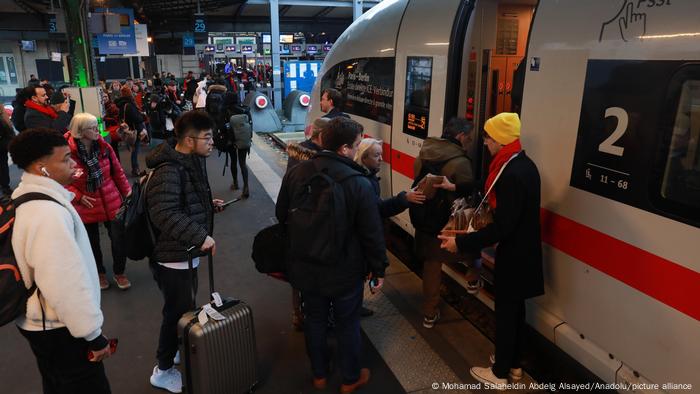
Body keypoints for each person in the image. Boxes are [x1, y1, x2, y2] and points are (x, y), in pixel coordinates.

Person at [276, 117, 387, 393]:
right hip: (344, 268)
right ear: (345, 149)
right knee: (347, 322)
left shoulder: (297, 173)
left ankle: (320, 375)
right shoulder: (358, 183)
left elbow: (281, 215)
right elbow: (371, 233)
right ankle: (350, 379)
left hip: (306, 265)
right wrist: (379, 269)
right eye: (357, 145)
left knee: (314, 319)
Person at [438, 112, 543, 389]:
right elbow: (486, 189)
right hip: (524, 252)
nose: (484, 142)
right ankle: (515, 364)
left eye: (487, 137)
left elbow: (502, 228)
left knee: (507, 314)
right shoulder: (520, 163)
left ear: (499, 138)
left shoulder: (512, 172)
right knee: (516, 313)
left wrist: (459, 243)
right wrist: (457, 185)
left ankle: (498, 374)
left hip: (515, 255)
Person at [9, 128, 113, 394]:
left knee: (56, 382)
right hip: (60, 327)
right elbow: (63, 282)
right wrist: (93, 334)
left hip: (43, 323)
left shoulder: (27, 196)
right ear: (42, 168)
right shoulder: (48, 214)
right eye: (65, 159)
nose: (73, 164)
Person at [145, 111, 226, 393]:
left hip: (183, 252)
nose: (212, 142)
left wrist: (206, 203)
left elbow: (181, 201)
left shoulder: (189, 161)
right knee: (176, 312)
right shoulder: (170, 170)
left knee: (182, 307)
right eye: (207, 138)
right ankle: (163, 369)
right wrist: (199, 235)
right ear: (189, 140)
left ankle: (175, 347)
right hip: (173, 255)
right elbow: (164, 213)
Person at [411, 117, 475, 329]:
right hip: (447, 221)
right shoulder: (461, 162)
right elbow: (467, 195)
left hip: (425, 218)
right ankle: (473, 278)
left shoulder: (423, 153)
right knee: (473, 243)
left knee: (431, 265)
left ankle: (429, 313)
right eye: (469, 138)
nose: (470, 142)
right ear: (461, 136)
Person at [64, 113, 132, 291]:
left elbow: (118, 173)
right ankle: (99, 273)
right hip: (85, 204)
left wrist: (129, 195)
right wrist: (77, 196)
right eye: (92, 128)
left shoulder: (104, 147)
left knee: (119, 239)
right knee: (91, 243)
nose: (97, 130)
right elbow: (62, 181)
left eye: (97, 126)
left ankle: (120, 272)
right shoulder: (66, 153)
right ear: (80, 131)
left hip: (111, 200)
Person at [115, 85, 148, 176]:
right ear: (129, 93)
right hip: (134, 130)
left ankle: (135, 168)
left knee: (134, 150)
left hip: (128, 129)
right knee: (135, 151)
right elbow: (136, 118)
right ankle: (135, 169)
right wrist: (142, 116)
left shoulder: (122, 104)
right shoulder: (129, 105)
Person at [0, 109, 15, 194]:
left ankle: (5, 187)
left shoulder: (3, 118)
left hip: (2, 147)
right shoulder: (3, 117)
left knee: (3, 167)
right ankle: (5, 187)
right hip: (3, 146)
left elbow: (9, 134)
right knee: (3, 167)